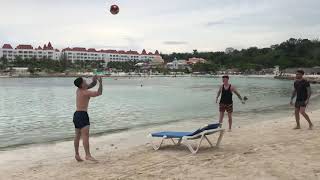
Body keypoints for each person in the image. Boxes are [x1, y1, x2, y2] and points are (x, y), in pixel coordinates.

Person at [73, 75, 103, 162]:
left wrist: (95, 81)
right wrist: (101, 83)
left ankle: (77, 154)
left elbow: (90, 85)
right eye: (85, 81)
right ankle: (88, 155)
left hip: (76, 114)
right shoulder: (85, 92)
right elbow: (99, 93)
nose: (87, 82)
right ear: (82, 85)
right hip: (82, 115)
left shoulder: (79, 90)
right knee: (85, 136)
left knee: (77, 135)